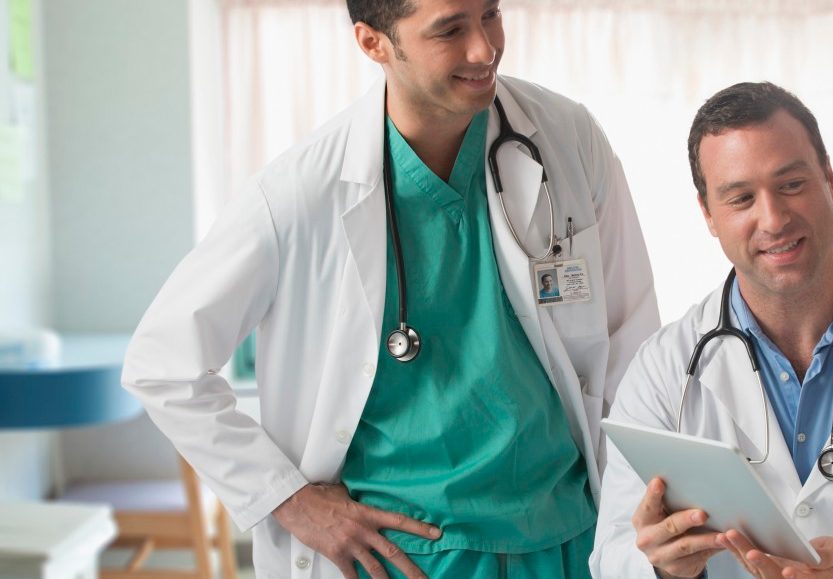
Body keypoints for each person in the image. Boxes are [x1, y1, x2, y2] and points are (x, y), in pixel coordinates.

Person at [120, 1, 659, 577]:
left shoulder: (566, 138)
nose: (484, 49)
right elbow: (162, 363)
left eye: (490, 15)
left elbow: (632, 338)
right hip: (401, 558)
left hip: (566, 540)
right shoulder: (301, 192)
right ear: (373, 42)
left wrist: (634, 511)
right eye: (449, 30)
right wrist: (288, 499)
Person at [590, 82, 833, 579]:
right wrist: (660, 567)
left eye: (791, 185)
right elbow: (612, 556)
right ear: (708, 214)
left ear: (830, 180)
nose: (773, 219)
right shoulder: (664, 369)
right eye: (741, 198)